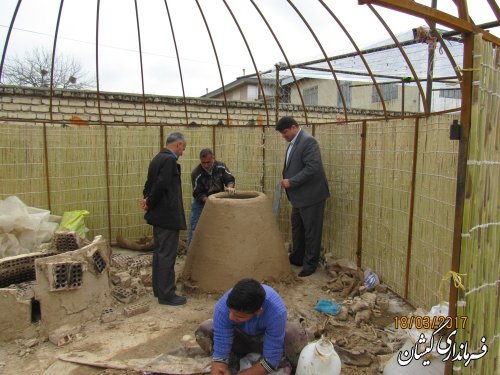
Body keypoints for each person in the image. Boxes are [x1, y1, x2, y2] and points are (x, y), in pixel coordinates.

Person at [195, 278, 308, 375]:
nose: (231, 317)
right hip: (240, 337)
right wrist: (219, 367)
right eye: (230, 311)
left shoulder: (276, 311)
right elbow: (220, 351)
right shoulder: (223, 306)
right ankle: (235, 360)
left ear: (258, 311)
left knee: (292, 333)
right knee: (205, 329)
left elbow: (272, 359)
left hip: (264, 340)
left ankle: (287, 363)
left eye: (239, 316)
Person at [275, 116, 330, 277]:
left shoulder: (308, 141)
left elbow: (313, 168)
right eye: (282, 133)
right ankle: (298, 258)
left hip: (311, 195)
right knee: (297, 228)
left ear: (293, 127)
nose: (283, 136)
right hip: (299, 197)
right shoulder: (294, 142)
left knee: (312, 232)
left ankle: (310, 264)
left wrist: (291, 181)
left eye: (285, 132)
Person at [141, 132, 187, 306]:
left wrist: (147, 200)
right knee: (167, 254)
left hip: (159, 215)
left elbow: (149, 184)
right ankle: (167, 294)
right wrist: (150, 202)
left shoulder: (157, 158)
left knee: (159, 254)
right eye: (183, 148)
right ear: (178, 144)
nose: (182, 152)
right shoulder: (169, 160)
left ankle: (158, 290)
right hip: (167, 215)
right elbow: (160, 185)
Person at [187, 148, 235, 244]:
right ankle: (191, 252)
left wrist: (230, 187)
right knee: (195, 227)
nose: (206, 165)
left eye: (208, 162)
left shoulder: (221, 167)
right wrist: (209, 201)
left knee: (221, 225)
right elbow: (198, 193)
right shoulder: (196, 173)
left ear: (213, 158)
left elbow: (229, 179)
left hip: (219, 200)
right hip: (201, 202)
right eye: (203, 162)